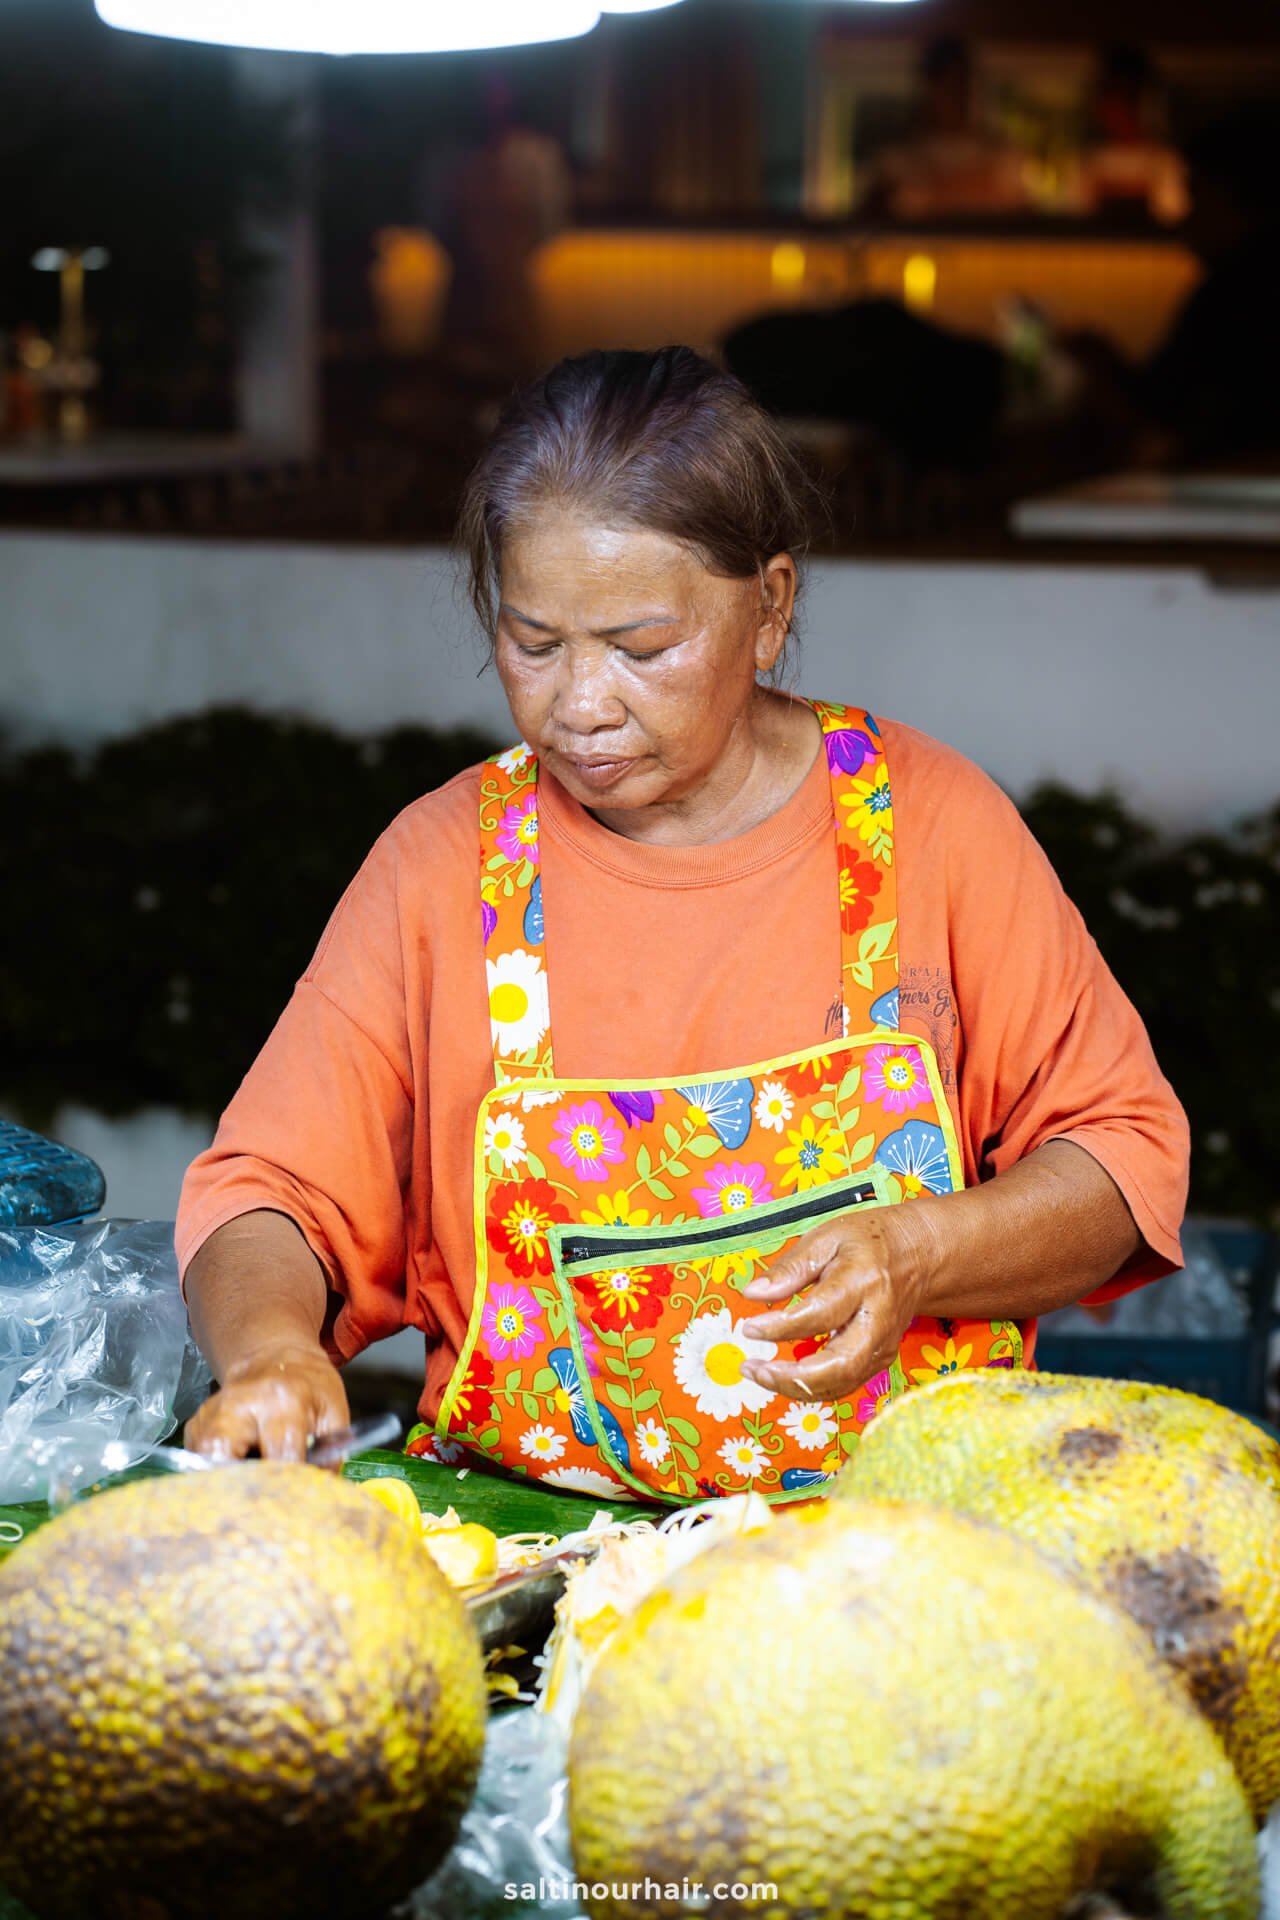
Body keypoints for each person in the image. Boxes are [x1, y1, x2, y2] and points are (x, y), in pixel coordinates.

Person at [177, 347, 1188, 1501]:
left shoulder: (926, 826)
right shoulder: (441, 863)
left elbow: (1121, 1164)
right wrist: (269, 1353)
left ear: (770, 608)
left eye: (642, 648)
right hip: (528, 1552)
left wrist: (917, 1253)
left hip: (891, 1553)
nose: (580, 704)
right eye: (533, 643)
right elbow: (267, 1191)